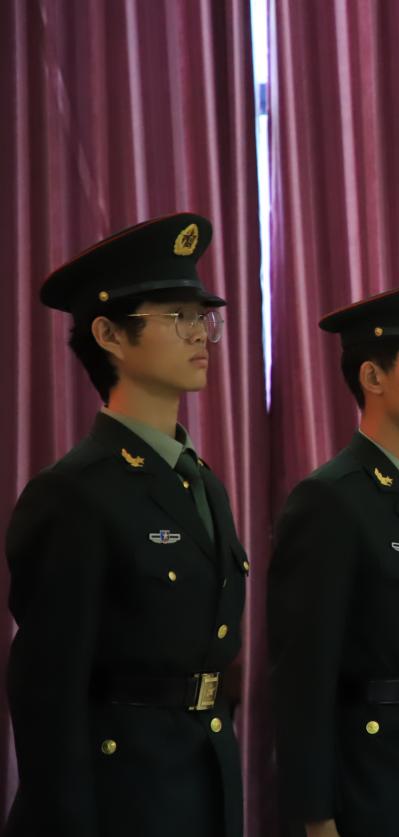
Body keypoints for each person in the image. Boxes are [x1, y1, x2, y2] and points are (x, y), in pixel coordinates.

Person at [5, 213, 248, 837]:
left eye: (203, 317)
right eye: (177, 317)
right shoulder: (73, 495)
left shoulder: (202, 483)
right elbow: (47, 699)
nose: (200, 334)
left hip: (205, 783)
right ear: (110, 334)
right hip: (123, 799)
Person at [268, 273, 399, 837]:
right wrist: (316, 815)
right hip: (374, 778)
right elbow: (303, 673)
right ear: (373, 376)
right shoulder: (331, 499)